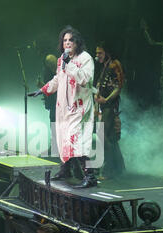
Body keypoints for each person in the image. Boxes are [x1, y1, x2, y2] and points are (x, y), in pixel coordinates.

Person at [28, 25, 97, 188]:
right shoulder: (61, 59)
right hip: (64, 107)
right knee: (63, 138)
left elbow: (85, 80)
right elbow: (58, 79)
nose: (67, 43)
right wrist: (43, 90)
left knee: (78, 140)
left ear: (77, 42)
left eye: (71, 40)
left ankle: (90, 176)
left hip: (79, 107)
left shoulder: (85, 58)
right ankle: (66, 169)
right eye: (64, 40)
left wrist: (70, 64)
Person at [94, 42, 126, 179]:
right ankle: (119, 168)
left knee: (103, 136)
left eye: (99, 53)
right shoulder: (104, 67)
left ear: (107, 53)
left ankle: (108, 170)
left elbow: (118, 87)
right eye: (96, 53)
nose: (97, 56)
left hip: (110, 106)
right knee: (111, 138)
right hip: (104, 106)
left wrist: (106, 100)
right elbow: (101, 85)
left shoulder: (115, 65)